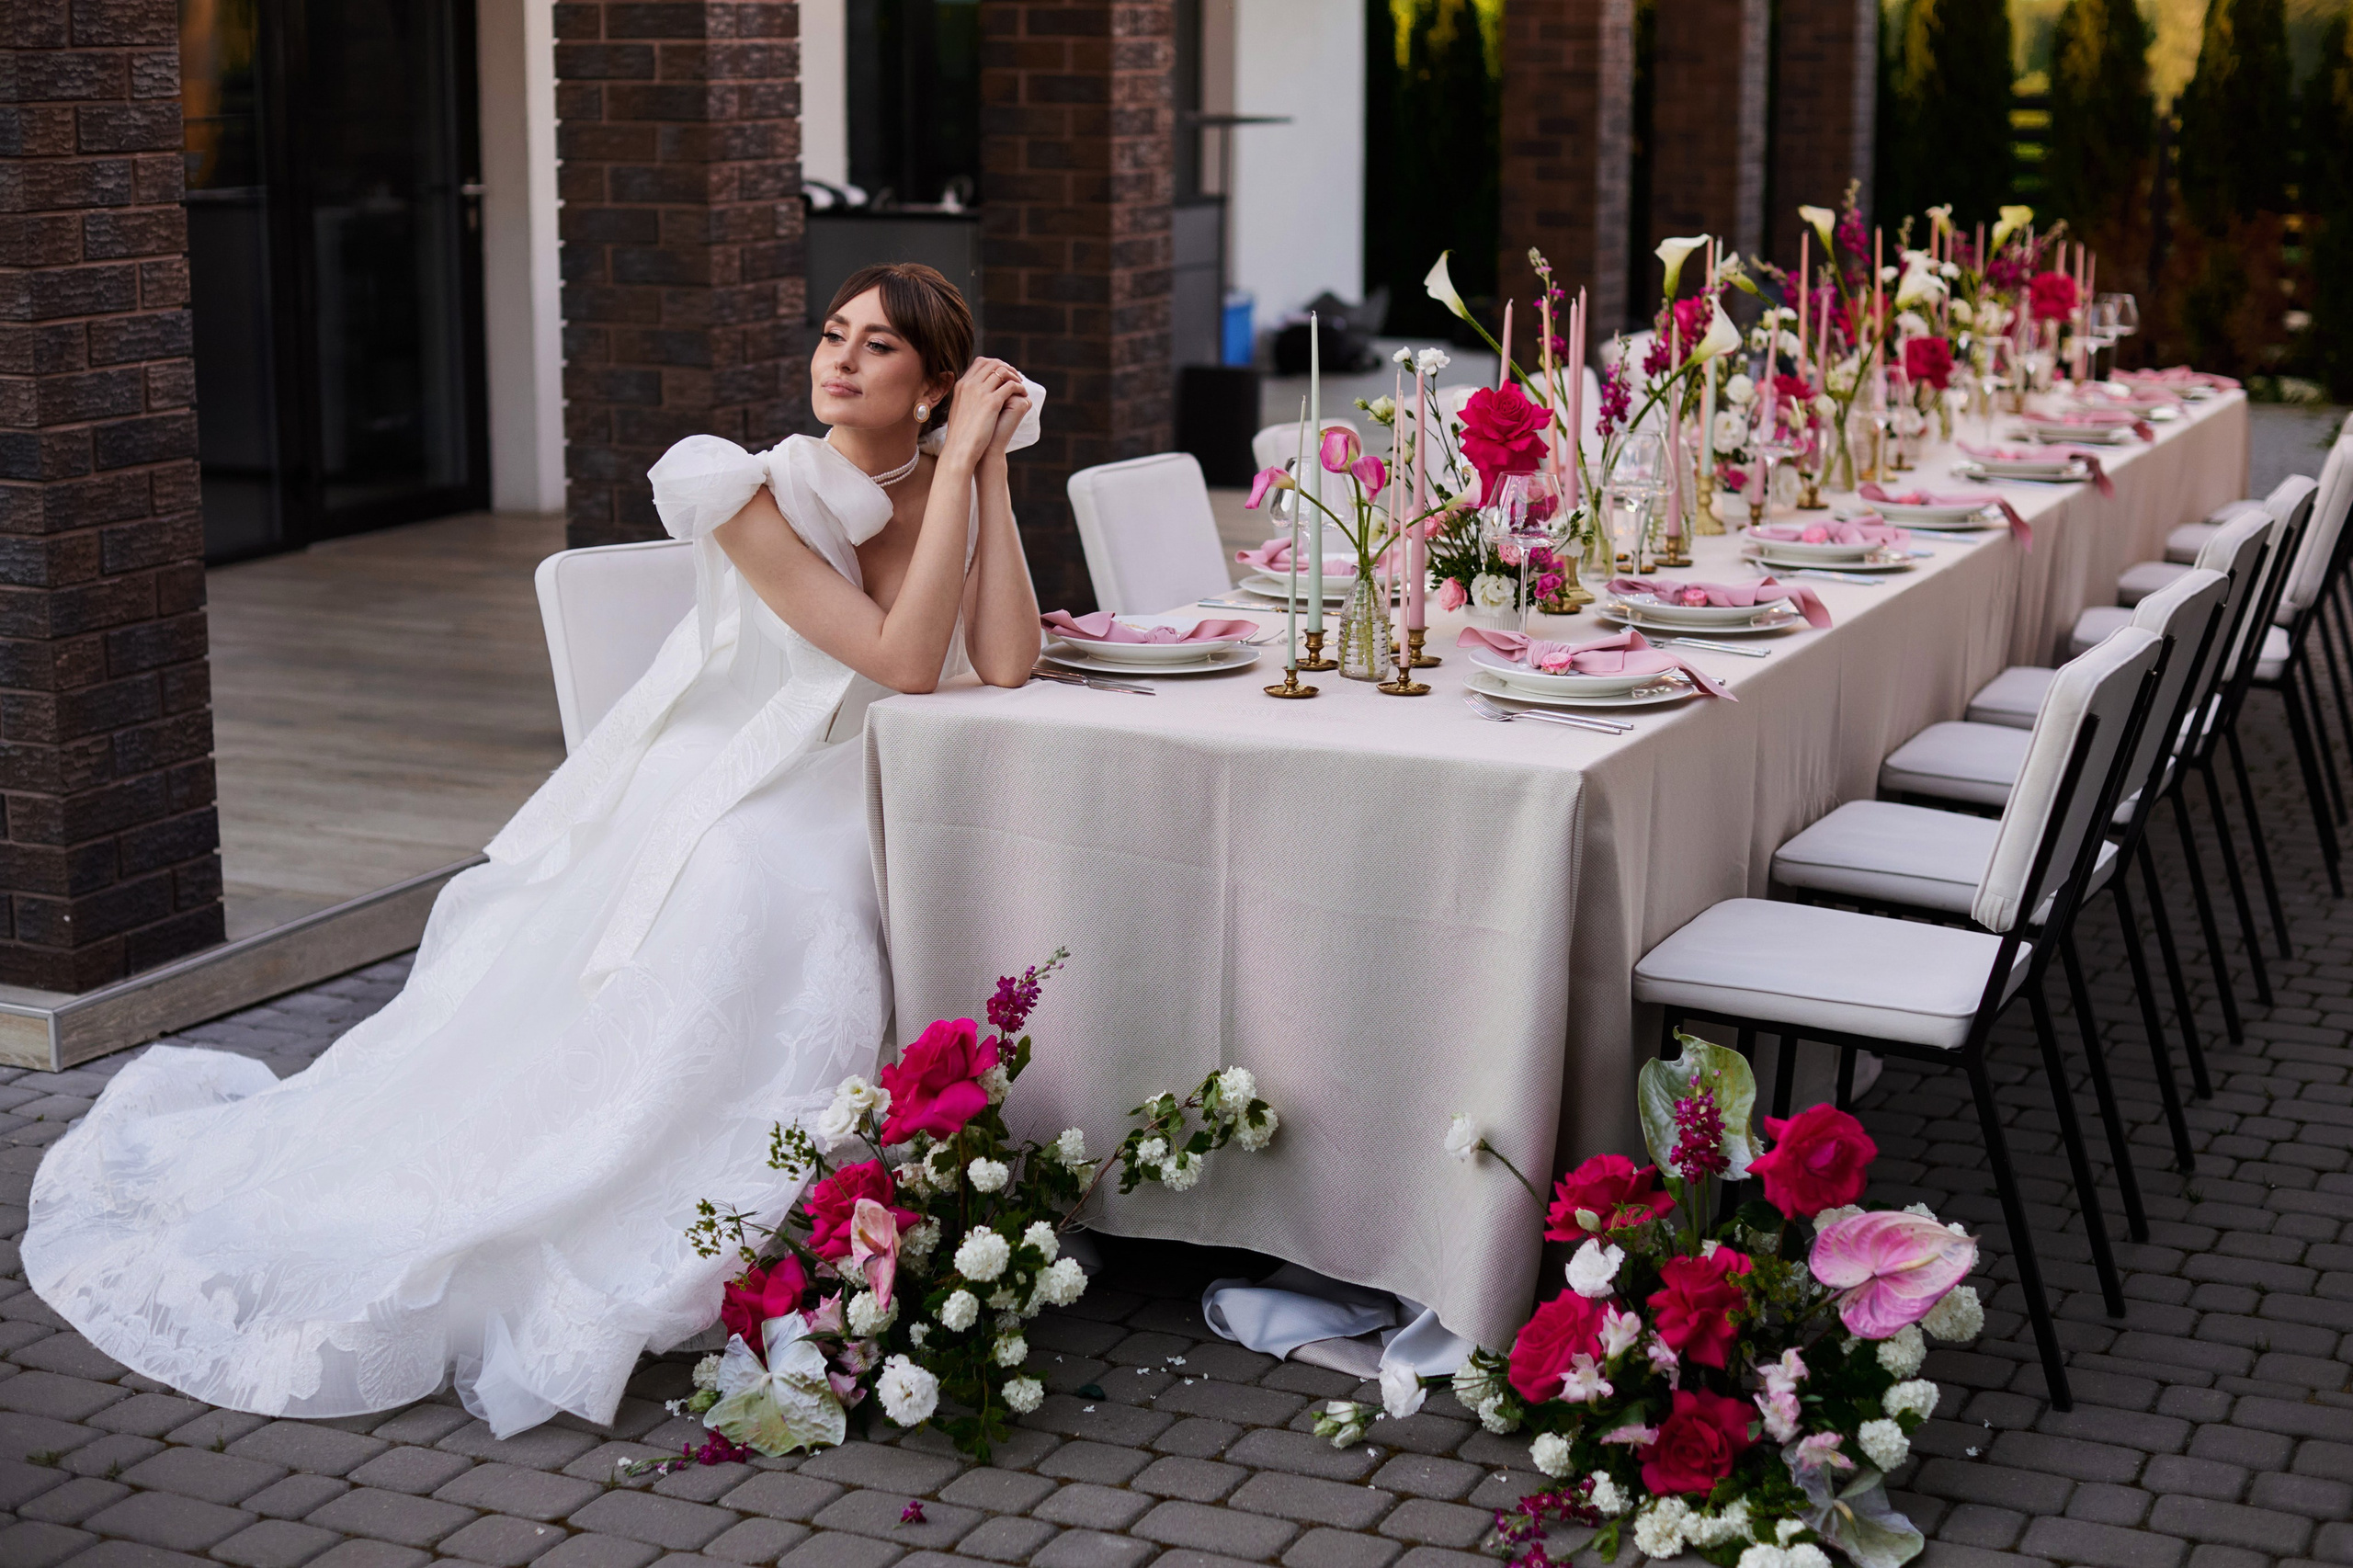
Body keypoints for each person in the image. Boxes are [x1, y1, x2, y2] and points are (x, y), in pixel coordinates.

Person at [21, 264, 1040, 1437]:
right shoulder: (748, 487)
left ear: (935, 389)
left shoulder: (947, 477)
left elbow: (1005, 659)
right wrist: (959, 464)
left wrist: (990, 471)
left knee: (927, 845)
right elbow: (905, 663)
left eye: (878, 348)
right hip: (744, 772)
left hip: (858, 765)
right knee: (768, 878)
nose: (840, 359)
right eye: (833, 333)